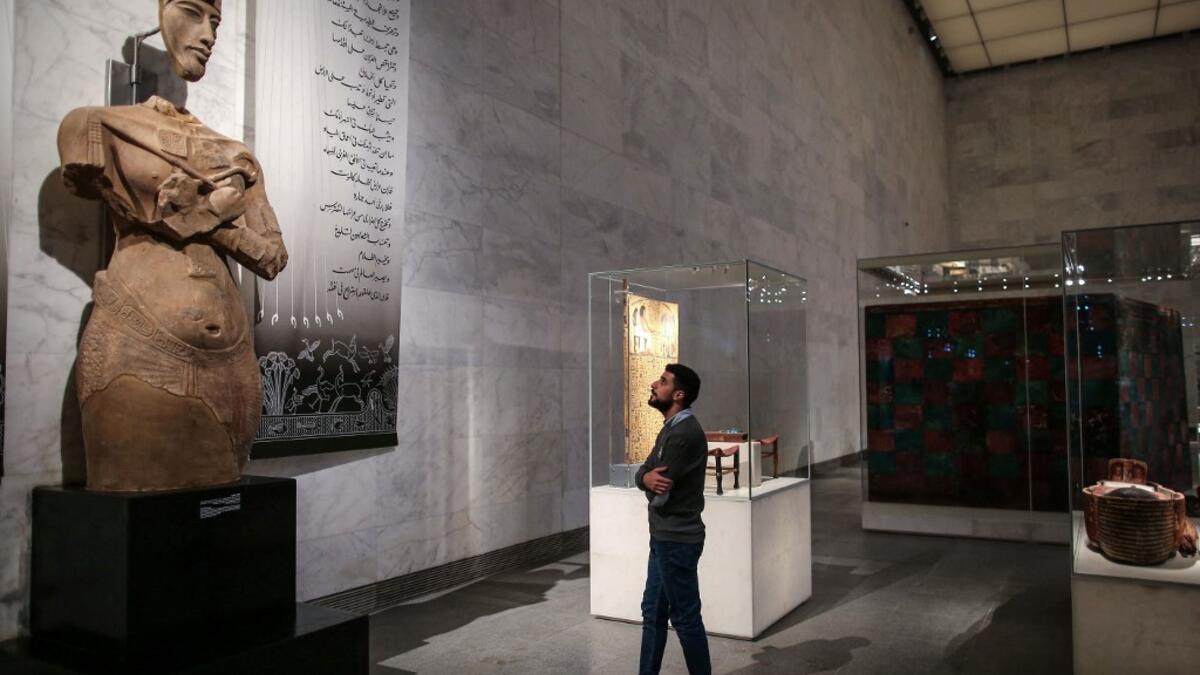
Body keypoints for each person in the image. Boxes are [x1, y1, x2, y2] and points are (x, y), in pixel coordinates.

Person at [57, 0, 287, 491]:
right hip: (137, 350)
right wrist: (213, 208)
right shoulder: (96, 126)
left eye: (217, 22)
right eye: (193, 11)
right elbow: (148, 213)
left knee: (221, 541)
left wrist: (211, 215)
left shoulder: (236, 155)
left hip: (231, 366)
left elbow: (271, 258)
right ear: (161, 8)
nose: (208, 34)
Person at [634, 363, 711, 675]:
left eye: (662, 382)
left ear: (678, 394)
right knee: (653, 611)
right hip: (665, 537)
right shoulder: (670, 429)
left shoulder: (682, 435)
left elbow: (660, 495)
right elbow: (646, 471)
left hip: (676, 539)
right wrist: (645, 479)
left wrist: (648, 482)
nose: (654, 384)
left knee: (685, 617)